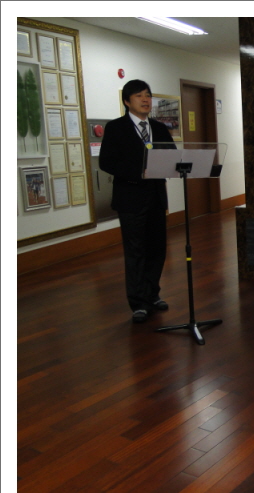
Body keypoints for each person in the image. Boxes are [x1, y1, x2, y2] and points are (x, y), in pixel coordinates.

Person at [99, 79, 176, 323]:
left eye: (148, 95)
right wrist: (139, 171)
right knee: (135, 251)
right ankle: (138, 302)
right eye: (139, 96)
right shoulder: (116, 128)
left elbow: (172, 155)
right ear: (126, 101)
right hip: (130, 197)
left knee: (157, 249)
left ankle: (153, 294)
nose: (145, 100)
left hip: (156, 196)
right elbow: (106, 162)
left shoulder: (159, 127)